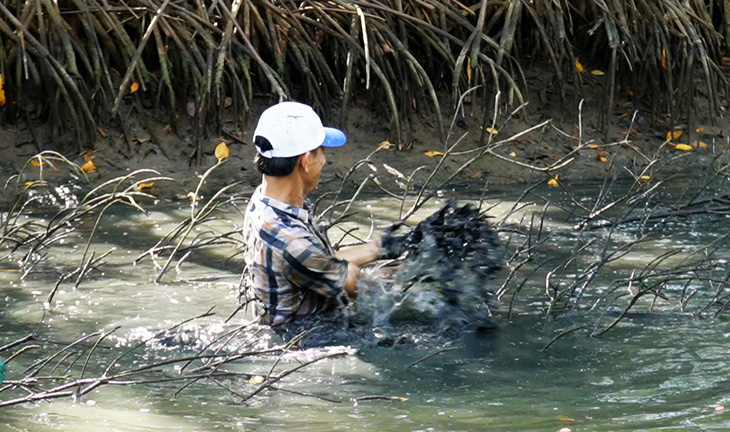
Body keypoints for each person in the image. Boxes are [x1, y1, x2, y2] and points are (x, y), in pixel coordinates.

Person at [243, 101, 400, 325]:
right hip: (308, 339)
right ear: (306, 161)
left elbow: (322, 261)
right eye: (322, 151)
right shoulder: (291, 241)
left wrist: (382, 248)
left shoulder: (263, 201)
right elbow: (362, 289)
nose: (325, 160)